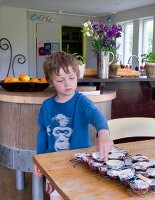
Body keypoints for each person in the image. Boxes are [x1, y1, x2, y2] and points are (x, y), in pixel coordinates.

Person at [34, 51, 114, 200]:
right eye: (60, 80)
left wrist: (103, 132)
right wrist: (39, 159)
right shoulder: (46, 106)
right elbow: (43, 133)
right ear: (51, 81)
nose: (67, 83)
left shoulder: (82, 102)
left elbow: (97, 115)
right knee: (56, 196)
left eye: (71, 77)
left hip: (80, 165)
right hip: (54, 166)